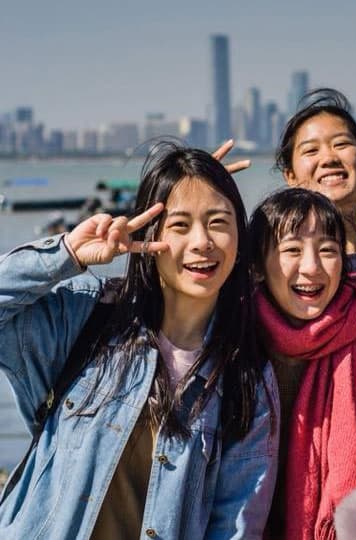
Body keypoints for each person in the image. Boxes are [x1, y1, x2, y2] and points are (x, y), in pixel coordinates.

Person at [0, 143, 278, 539]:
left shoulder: (245, 376)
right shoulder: (90, 317)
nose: (202, 242)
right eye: (180, 225)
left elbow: (236, 523)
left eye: (218, 221)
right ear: (149, 236)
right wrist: (67, 253)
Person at [249, 188, 356, 539]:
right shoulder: (235, 344)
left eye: (328, 251)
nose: (311, 267)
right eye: (292, 250)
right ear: (258, 266)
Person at [275, 88, 356, 279]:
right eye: (311, 150)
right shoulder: (275, 259)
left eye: (341, 144)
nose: (328, 158)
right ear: (291, 177)